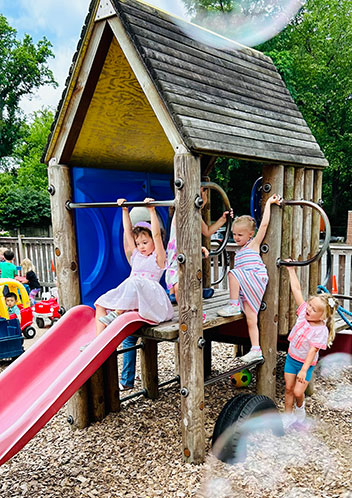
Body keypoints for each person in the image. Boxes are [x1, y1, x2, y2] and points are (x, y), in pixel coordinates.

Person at [94, 197, 173, 390]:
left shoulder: (159, 257)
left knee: (135, 280)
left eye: (145, 242)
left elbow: (155, 234)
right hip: (136, 306)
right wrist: (124, 211)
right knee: (100, 304)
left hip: (153, 304)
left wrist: (152, 211)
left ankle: (118, 313)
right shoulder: (136, 255)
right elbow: (128, 235)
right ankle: (98, 344)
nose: (141, 246)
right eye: (139, 244)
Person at [217, 194, 282, 363]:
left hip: (255, 278)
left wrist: (268, 203)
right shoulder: (240, 251)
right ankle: (256, 349)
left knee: (233, 273)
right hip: (248, 285)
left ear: (250, 234)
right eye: (234, 234)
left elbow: (265, 224)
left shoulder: (253, 245)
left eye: (240, 235)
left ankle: (233, 306)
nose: (236, 237)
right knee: (251, 318)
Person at [283, 263, 337, 428]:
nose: (309, 309)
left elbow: (312, 351)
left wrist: (304, 370)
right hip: (292, 358)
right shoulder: (302, 314)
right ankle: (287, 416)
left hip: (305, 363)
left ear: (322, 317)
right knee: (288, 388)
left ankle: (300, 409)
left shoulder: (320, 330)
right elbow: (297, 291)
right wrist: (291, 270)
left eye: (313, 310)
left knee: (299, 392)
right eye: (309, 306)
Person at [166, 185, 233, 303]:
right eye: (201, 195)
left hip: (188, 255)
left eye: (203, 195)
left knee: (190, 278)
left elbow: (207, 231)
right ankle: (174, 294)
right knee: (179, 280)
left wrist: (223, 219)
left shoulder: (196, 215)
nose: (203, 199)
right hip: (177, 254)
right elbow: (182, 236)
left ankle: (181, 296)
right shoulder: (180, 212)